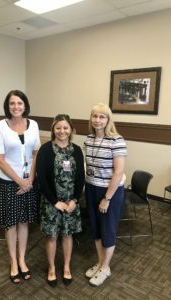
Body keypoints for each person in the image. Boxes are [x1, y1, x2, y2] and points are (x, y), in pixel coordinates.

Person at [0, 90, 41, 284]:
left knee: (24, 222)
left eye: (19, 103)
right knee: (11, 223)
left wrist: (29, 181)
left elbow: (36, 153)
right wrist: (19, 181)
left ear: (25, 105)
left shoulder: (34, 125)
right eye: (12, 103)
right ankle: (13, 262)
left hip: (29, 182)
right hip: (9, 182)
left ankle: (22, 259)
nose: (16, 107)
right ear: (8, 106)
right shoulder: (0, 126)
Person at [36, 114, 85, 287]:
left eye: (65, 128)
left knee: (67, 235)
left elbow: (80, 177)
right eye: (58, 128)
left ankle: (66, 267)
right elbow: (41, 178)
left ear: (71, 129)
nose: (62, 131)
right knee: (52, 236)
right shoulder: (46, 150)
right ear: (53, 129)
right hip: (52, 203)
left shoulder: (77, 150)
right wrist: (55, 201)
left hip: (71, 203)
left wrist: (75, 200)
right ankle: (51, 268)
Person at [84, 103, 127, 287]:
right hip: (91, 188)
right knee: (96, 228)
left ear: (108, 120)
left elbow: (118, 172)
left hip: (110, 191)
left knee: (108, 230)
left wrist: (107, 198)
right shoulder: (88, 139)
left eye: (102, 117)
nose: (98, 120)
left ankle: (105, 268)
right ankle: (101, 262)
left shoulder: (116, 140)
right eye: (95, 116)